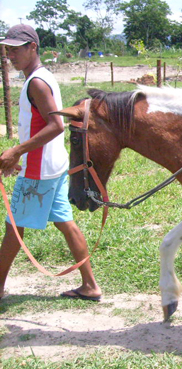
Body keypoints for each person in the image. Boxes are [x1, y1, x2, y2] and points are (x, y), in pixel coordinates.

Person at [0, 24, 101, 301]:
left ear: (33, 47)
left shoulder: (36, 82)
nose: (10, 54)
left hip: (40, 168)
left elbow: (56, 125)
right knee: (65, 223)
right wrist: (21, 153)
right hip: (51, 165)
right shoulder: (40, 77)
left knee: (14, 226)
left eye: (16, 48)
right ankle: (90, 286)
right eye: (7, 49)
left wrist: (16, 151)